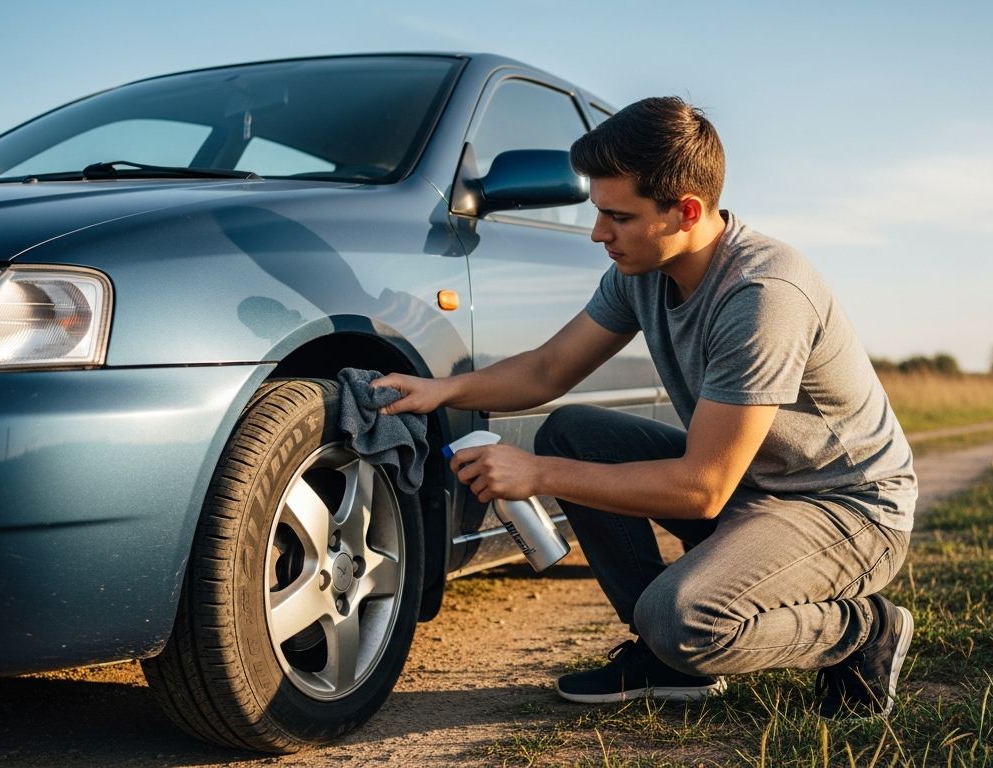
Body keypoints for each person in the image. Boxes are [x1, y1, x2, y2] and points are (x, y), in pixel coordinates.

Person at [374, 96, 917, 719]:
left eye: (617, 216)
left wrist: (538, 476)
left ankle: (860, 632)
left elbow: (702, 490)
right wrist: (442, 390)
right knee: (575, 430)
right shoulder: (643, 270)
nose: (598, 233)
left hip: (845, 508)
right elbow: (551, 368)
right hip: (755, 488)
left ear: (686, 211)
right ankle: (663, 658)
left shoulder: (764, 296)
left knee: (684, 619)